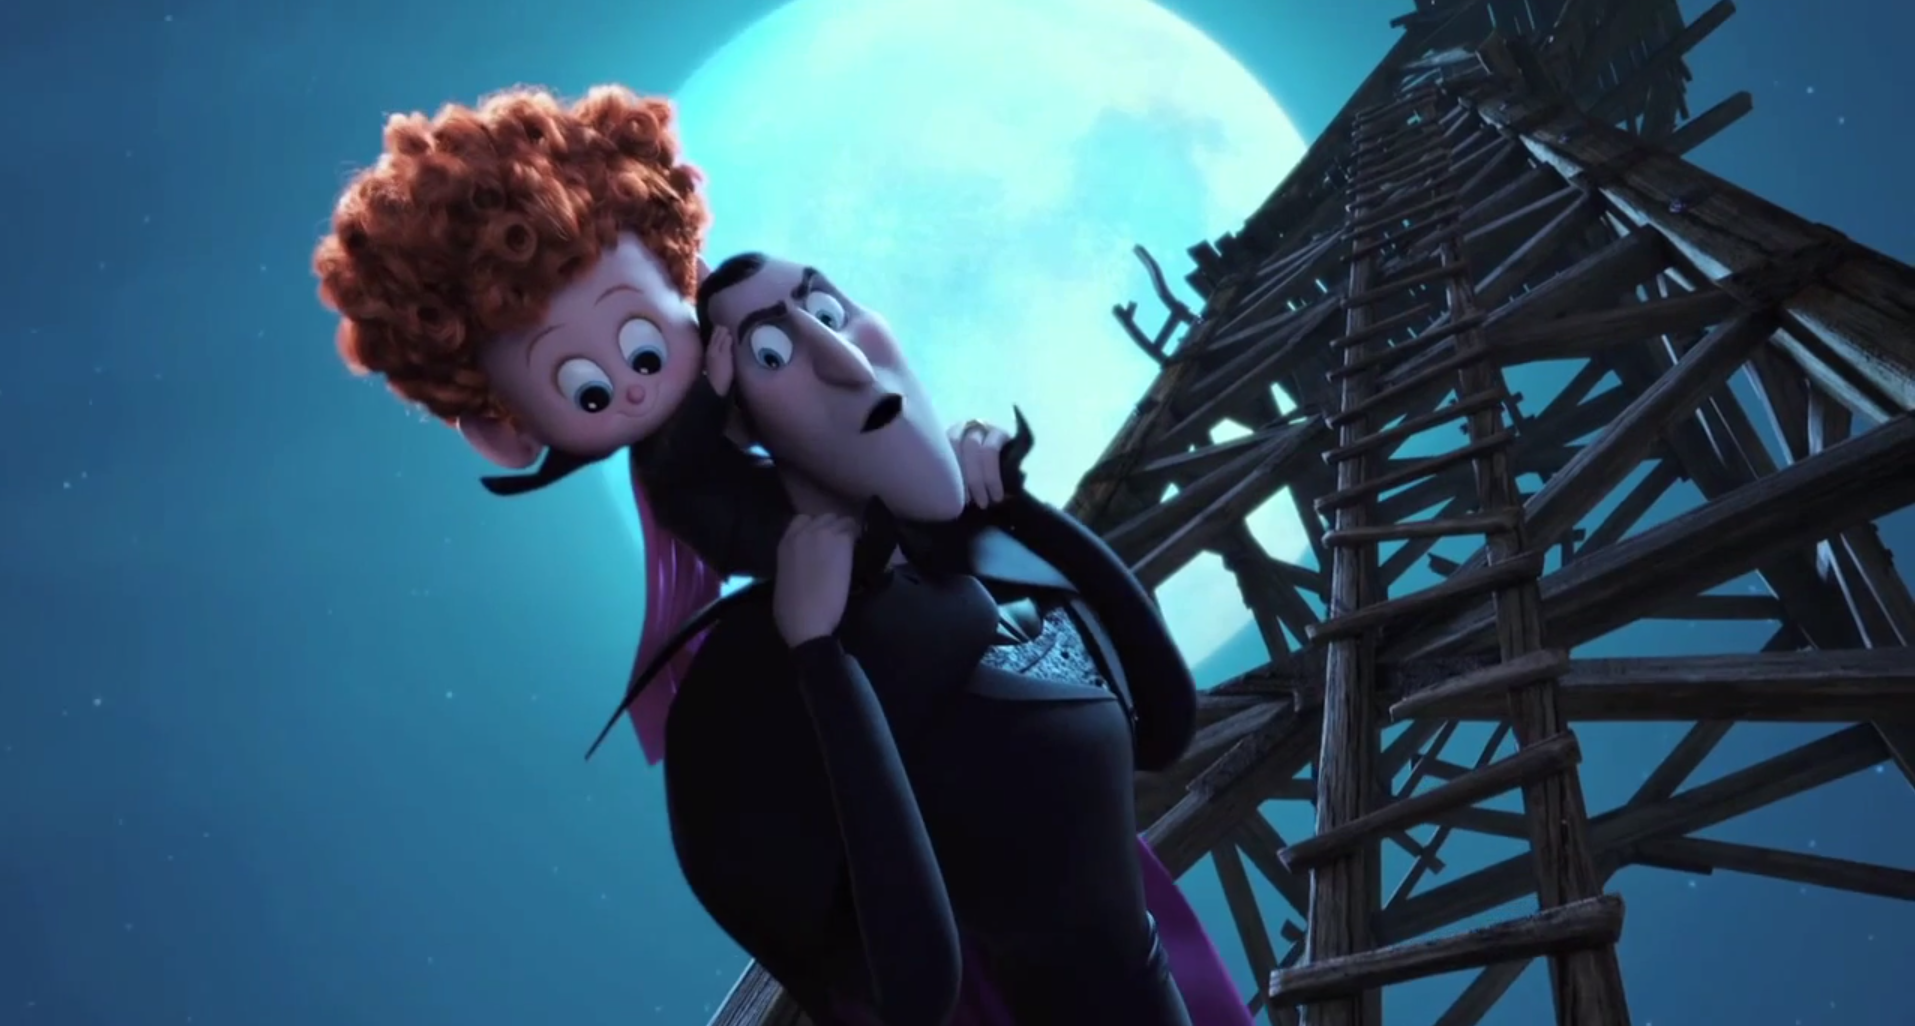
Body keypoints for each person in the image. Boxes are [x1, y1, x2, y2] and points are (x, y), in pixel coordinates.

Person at [623, 251, 1249, 1026]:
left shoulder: (967, 565)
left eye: (828, 311)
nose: (844, 359)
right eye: (771, 352)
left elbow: (1163, 724)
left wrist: (1016, 510)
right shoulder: (772, 675)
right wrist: (817, 654)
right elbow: (913, 985)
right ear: (736, 423)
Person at [310, 85, 1008, 762]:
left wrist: (967, 471)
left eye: (644, 348)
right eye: (587, 392)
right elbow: (690, 466)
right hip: (778, 547)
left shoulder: (761, 365)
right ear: (508, 434)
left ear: (685, 280)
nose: (634, 389)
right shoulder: (690, 440)